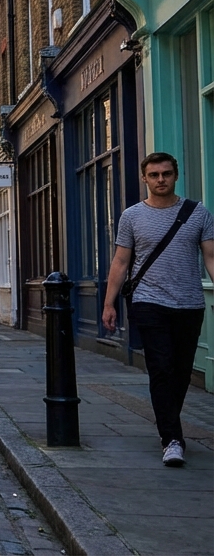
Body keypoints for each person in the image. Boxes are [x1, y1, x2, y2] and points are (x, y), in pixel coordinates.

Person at [102, 152, 214, 468]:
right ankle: (172, 439)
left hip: (190, 303)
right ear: (144, 178)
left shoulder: (198, 213)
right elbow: (121, 262)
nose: (160, 180)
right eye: (154, 175)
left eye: (166, 174)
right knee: (161, 368)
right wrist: (109, 303)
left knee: (180, 372)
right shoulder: (132, 217)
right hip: (149, 302)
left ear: (175, 176)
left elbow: (211, 258)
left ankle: (168, 424)